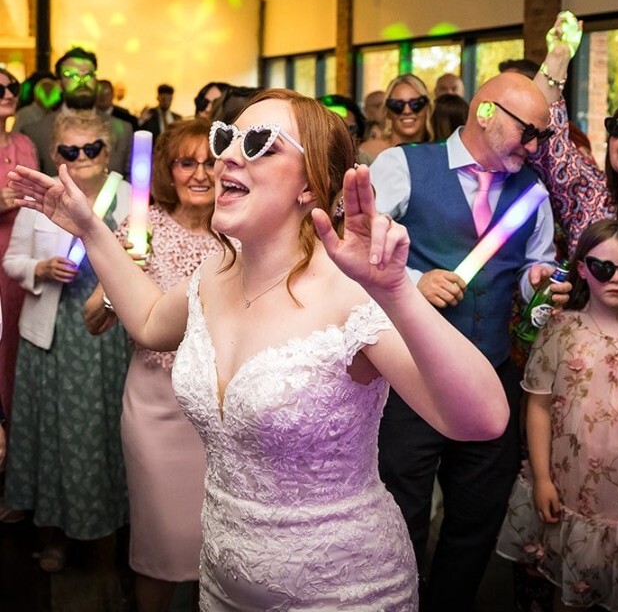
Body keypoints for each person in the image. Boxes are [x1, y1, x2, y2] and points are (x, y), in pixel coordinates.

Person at [9, 88, 509, 611]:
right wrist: (90, 228)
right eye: (226, 137)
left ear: (311, 182)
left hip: (340, 590)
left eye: (259, 143)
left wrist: (397, 291)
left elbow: (482, 420)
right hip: (224, 581)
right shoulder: (214, 277)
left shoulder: (351, 294)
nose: (227, 154)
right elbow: (152, 322)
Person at [369, 71, 571, 611]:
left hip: (492, 375)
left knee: (477, 516)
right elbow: (358, 251)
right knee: (401, 510)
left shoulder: (532, 192)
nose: (534, 148)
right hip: (413, 378)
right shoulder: (403, 166)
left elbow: (540, 262)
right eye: (528, 133)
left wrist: (539, 280)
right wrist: (413, 280)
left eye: (541, 138)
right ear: (485, 113)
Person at [85, 118, 216, 612]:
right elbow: (93, 319)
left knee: (224, 538)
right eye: (187, 163)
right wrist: (125, 284)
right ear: (169, 169)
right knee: (161, 536)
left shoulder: (240, 234)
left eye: (210, 162)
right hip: (156, 406)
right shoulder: (144, 228)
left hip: (224, 405)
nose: (200, 174)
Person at [496, 219, 618, 611]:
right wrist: (540, 478)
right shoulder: (559, 329)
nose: (616, 278)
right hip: (569, 487)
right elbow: (536, 407)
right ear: (582, 268)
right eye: (603, 268)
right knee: (568, 592)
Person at [3, 110, 131, 572]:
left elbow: (143, 259)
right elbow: (13, 260)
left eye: (91, 149)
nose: (81, 159)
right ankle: (52, 534)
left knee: (101, 435)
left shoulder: (129, 197)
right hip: (50, 337)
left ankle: (105, 531)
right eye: (70, 151)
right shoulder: (40, 197)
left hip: (104, 339)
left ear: (106, 151)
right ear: (55, 155)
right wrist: (38, 269)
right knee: (50, 436)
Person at [532, 12, 618, 297]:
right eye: (617, 126)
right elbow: (544, 133)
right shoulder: (588, 192)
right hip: (580, 335)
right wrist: (557, 57)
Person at [19, 47, 134, 179]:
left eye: (88, 74)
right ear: (60, 84)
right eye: (72, 75)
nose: (81, 81)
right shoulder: (36, 133)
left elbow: (130, 186)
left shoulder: (122, 130)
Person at [0, 67, 38, 435]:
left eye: (13, 86)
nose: (9, 92)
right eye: (0, 88)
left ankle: (15, 436)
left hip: (25, 255)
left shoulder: (24, 143)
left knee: (15, 340)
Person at [360, 73, 433, 161]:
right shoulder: (369, 152)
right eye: (398, 105)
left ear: (427, 107)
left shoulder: (440, 154)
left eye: (415, 104)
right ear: (388, 110)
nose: (407, 111)